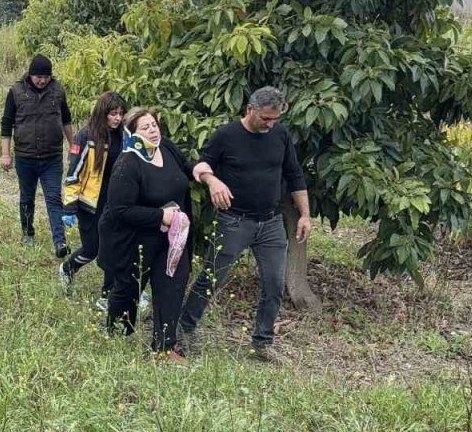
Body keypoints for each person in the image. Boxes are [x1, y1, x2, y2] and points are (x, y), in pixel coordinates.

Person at [179, 86, 310, 363]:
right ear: (250, 109)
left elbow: (295, 175)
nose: (270, 124)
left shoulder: (280, 135)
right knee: (213, 277)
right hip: (234, 220)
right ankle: (185, 329)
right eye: (265, 118)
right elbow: (200, 167)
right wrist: (213, 181)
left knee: (274, 283)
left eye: (275, 119)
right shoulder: (226, 135)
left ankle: (262, 343)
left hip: (271, 223)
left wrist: (305, 215)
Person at [98, 108, 195, 362]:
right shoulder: (128, 163)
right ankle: (117, 332)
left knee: (172, 285)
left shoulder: (168, 148)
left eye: (154, 124)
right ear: (132, 132)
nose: (153, 130)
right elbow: (120, 210)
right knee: (128, 289)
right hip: (134, 239)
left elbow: (187, 167)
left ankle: (164, 347)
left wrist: (203, 171)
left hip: (171, 237)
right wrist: (159, 216)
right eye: (145, 127)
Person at [0, 54, 75, 256]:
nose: (42, 80)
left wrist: (73, 146)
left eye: (46, 77)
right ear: (30, 75)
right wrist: (5, 154)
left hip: (52, 157)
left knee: (53, 198)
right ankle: (28, 233)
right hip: (25, 157)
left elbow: (66, 120)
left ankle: (60, 242)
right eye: (38, 77)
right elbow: (6, 124)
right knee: (27, 198)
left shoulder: (58, 91)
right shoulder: (16, 91)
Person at [58, 92, 129, 307]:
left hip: (114, 203)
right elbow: (73, 173)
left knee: (112, 248)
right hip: (89, 204)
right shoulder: (86, 136)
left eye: (120, 114)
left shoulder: (125, 136)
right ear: (103, 113)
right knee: (93, 249)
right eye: (113, 114)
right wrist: (69, 207)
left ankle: (107, 296)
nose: (117, 118)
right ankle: (67, 269)